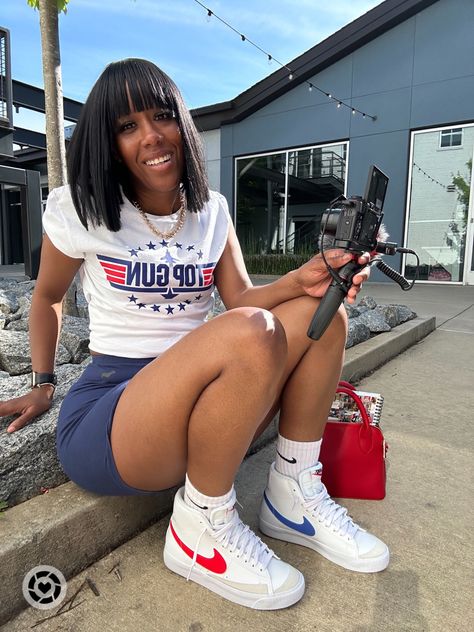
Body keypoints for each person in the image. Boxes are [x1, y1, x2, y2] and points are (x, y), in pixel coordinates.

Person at [0, 58, 389, 610]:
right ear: (109, 144)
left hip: (201, 397)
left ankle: (292, 492)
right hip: (114, 414)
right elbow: (47, 296)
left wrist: (305, 278)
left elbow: (244, 302)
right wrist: (42, 383)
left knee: (323, 313)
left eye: (160, 117)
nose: (151, 136)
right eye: (127, 126)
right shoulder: (82, 209)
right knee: (253, 331)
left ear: (182, 124)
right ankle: (199, 531)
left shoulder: (211, 212)